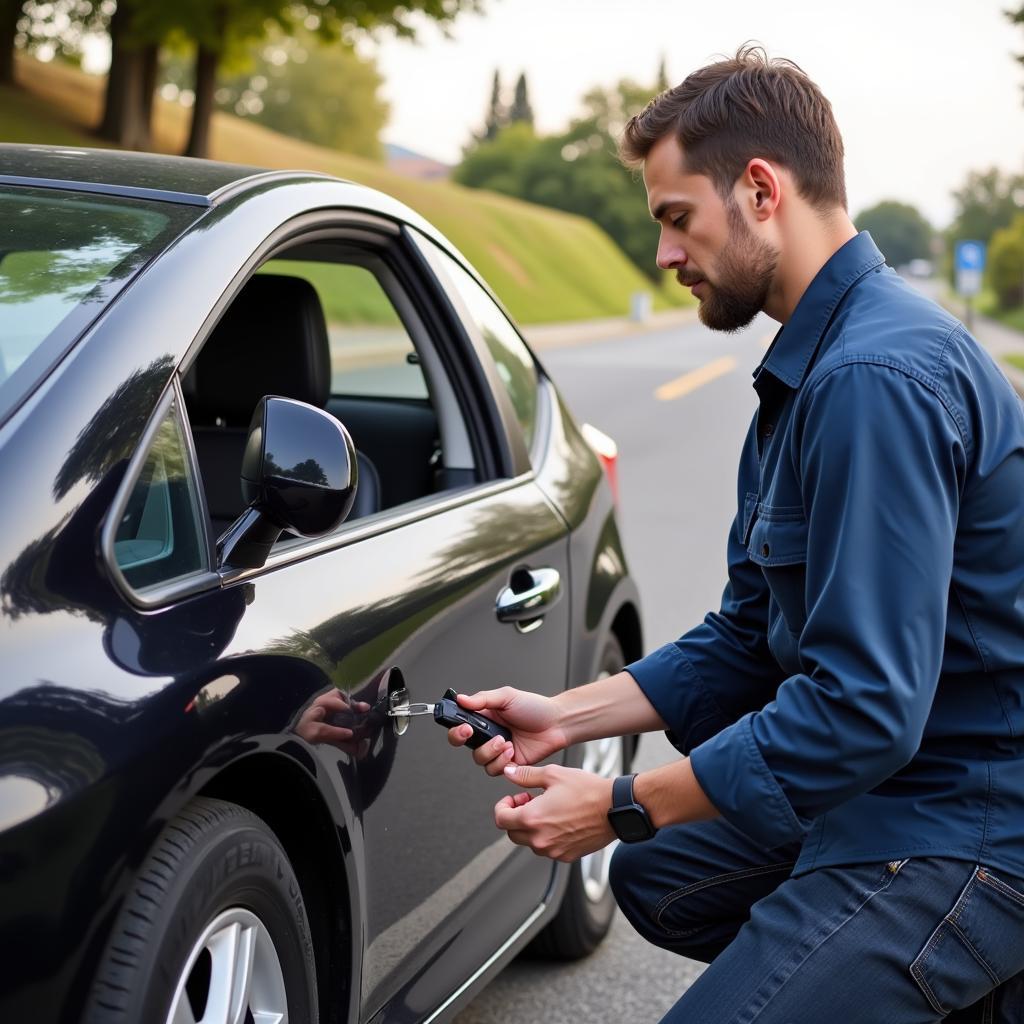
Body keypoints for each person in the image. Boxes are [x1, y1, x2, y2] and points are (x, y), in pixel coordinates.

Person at [447, 46, 1024, 1024]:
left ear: (760, 190)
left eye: (677, 219)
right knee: (659, 877)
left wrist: (619, 803)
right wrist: (569, 716)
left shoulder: (871, 381)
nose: (665, 257)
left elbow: (865, 707)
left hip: (963, 821)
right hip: (884, 786)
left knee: (650, 852)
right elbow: (750, 633)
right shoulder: (814, 370)